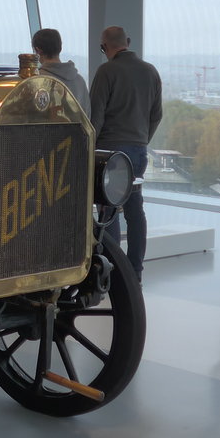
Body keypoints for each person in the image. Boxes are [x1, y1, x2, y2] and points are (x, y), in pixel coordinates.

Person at [89, 25, 163, 282]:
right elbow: (157, 114)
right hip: (138, 149)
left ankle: (114, 271)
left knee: (109, 210)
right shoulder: (150, 71)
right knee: (135, 209)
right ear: (128, 42)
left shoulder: (106, 71)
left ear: (105, 46)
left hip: (109, 151)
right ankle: (135, 271)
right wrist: (142, 139)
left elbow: (96, 116)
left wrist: (90, 150)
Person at [31, 27, 91, 115]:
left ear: (38, 50)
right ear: (60, 48)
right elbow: (87, 115)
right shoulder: (79, 80)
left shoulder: (36, 80)